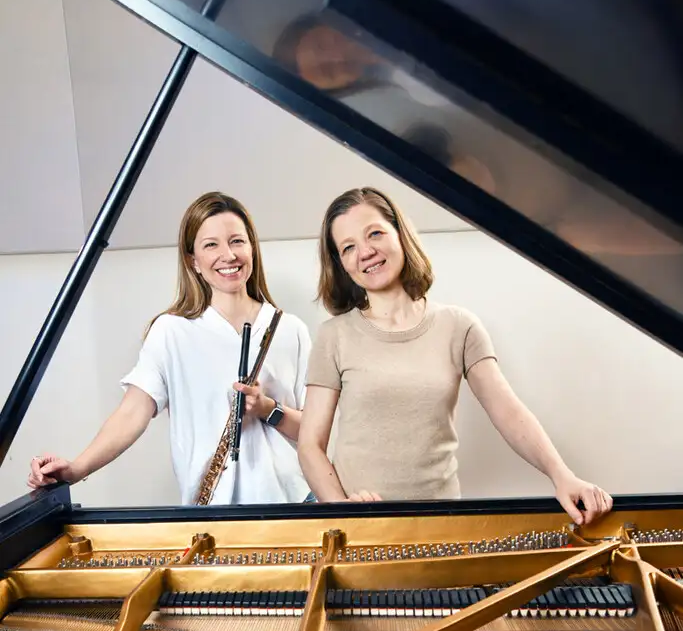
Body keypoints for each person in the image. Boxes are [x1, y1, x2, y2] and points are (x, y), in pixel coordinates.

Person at [298, 186, 613, 525]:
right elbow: (310, 445)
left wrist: (562, 476)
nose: (365, 252)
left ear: (400, 234)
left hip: (442, 522)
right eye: (348, 247)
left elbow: (508, 412)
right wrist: (342, 508)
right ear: (341, 264)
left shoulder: (460, 326)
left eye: (374, 233)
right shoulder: (334, 336)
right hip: (363, 528)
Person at [28, 192, 312, 505]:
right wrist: (76, 469)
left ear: (252, 248)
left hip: (295, 506)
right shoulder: (171, 331)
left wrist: (266, 408)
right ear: (193, 261)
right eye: (211, 245)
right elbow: (133, 412)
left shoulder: (291, 330)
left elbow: (315, 432)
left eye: (237, 241)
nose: (229, 255)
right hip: (212, 515)